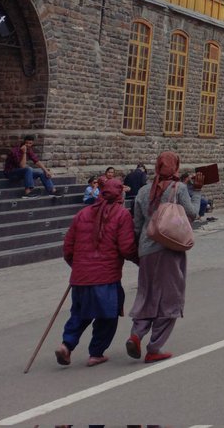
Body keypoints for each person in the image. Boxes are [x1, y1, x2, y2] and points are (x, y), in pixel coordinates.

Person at [56, 178, 137, 367]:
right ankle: (96, 352)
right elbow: (126, 248)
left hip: (81, 276)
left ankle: (66, 345)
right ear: (120, 195)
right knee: (108, 315)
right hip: (106, 277)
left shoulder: (82, 213)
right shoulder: (122, 214)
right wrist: (141, 261)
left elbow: (68, 247)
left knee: (80, 312)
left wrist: (77, 267)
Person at [128, 152, 199, 363]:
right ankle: (154, 347)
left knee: (147, 293)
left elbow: (137, 226)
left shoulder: (142, 191)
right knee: (170, 297)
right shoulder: (179, 189)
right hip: (170, 249)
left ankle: (136, 334)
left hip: (147, 250)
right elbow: (192, 213)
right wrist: (198, 192)